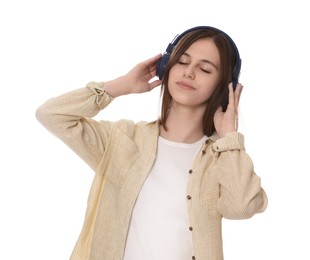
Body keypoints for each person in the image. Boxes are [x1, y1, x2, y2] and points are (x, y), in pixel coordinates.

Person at [36, 26, 268, 260]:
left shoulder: (221, 156)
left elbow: (241, 207)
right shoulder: (121, 141)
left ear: (224, 87)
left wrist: (229, 137)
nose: (189, 73)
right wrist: (118, 87)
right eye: (182, 62)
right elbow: (51, 115)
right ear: (165, 66)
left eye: (205, 69)